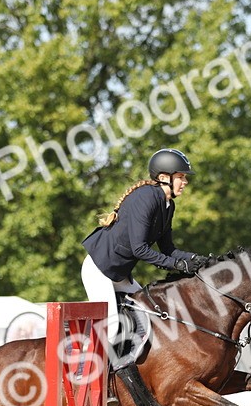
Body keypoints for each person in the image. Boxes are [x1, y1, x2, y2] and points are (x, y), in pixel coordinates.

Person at [81, 148, 212, 381]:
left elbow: (168, 249)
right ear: (164, 177)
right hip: (99, 270)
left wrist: (196, 260)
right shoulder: (146, 197)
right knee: (111, 330)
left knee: (148, 316)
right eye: (181, 177)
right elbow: (139, 249)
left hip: (120, 276)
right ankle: (88, 380)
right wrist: (178, 266)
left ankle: (123, 376)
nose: (185, 182)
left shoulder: (168, 205)